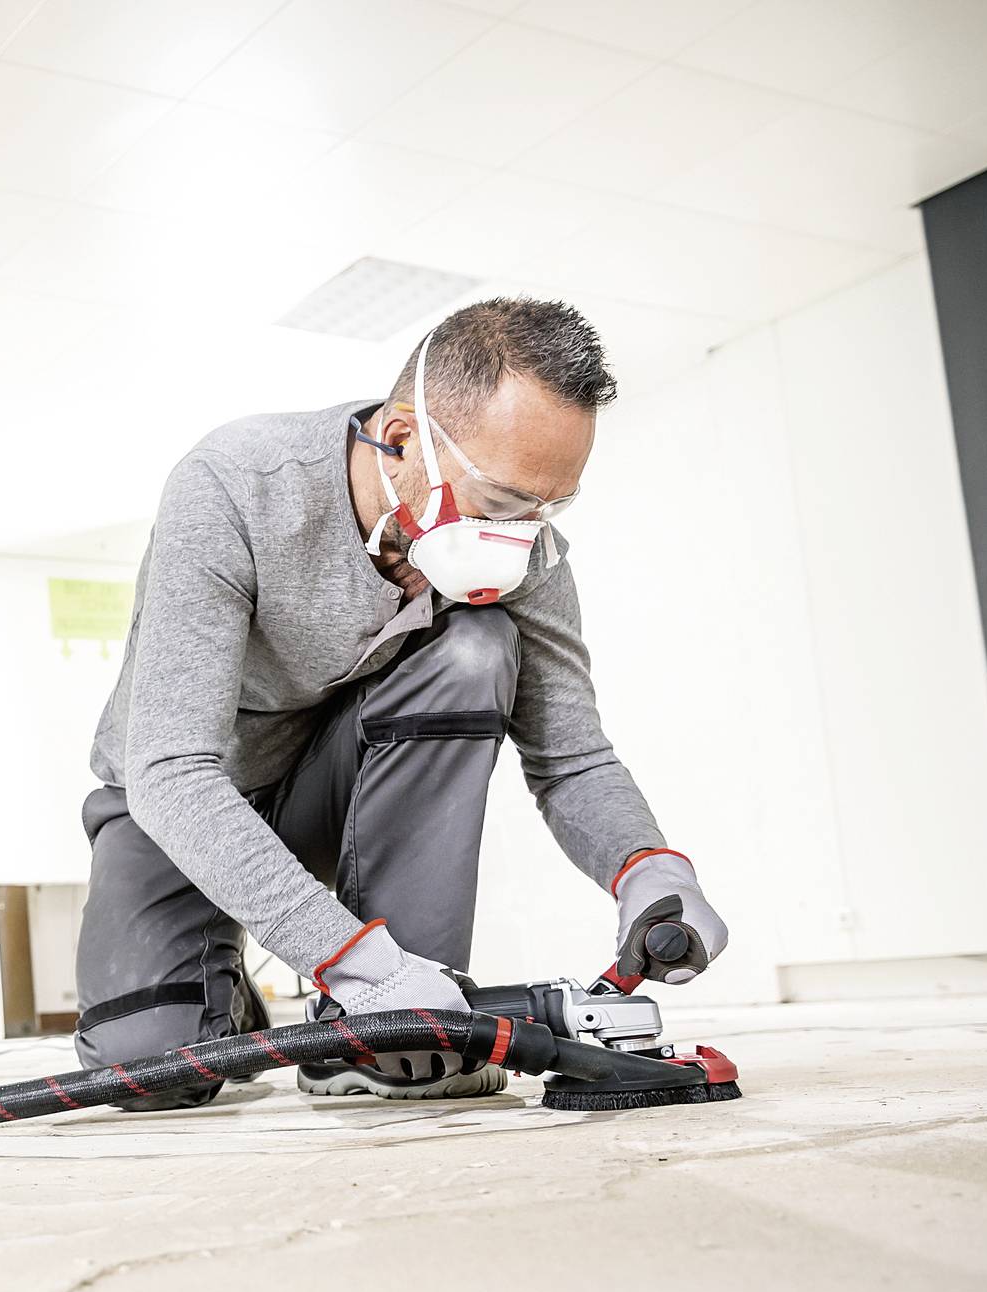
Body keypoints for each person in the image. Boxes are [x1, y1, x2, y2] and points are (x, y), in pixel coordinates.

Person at [77, 297, 728, 1108]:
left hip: (336, 791)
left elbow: (571, 755)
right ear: (399, 439)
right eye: (498, 500)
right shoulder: (236, 488)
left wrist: (650, 869)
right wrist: (354, 961)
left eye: (548, 505)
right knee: (147, 1067)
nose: (521, 534)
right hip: (171, 808)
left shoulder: (530, 549)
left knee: (476, 647)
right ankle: (245, 990)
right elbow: (171, 771)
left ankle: (384, 1032)